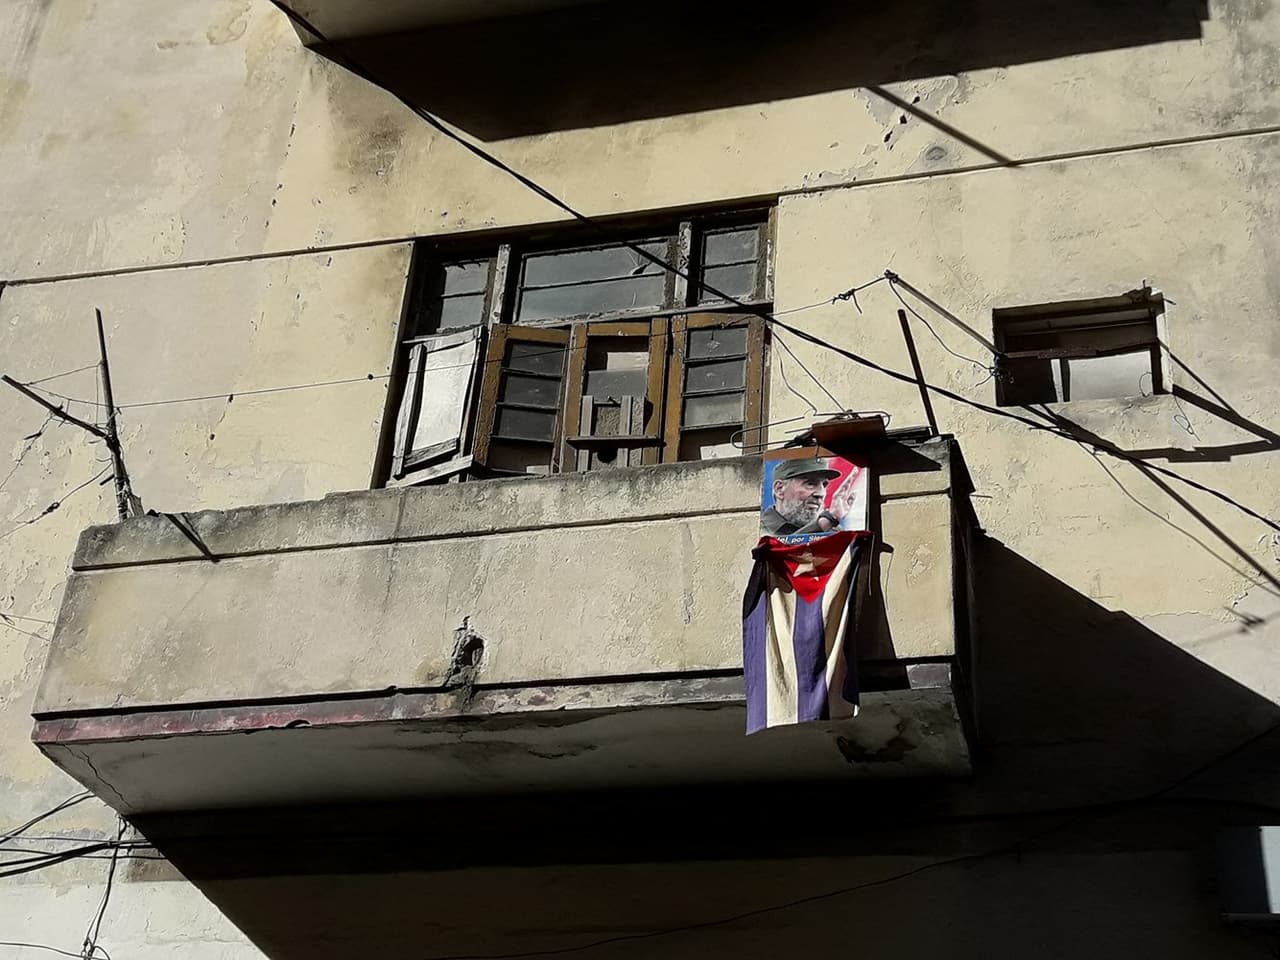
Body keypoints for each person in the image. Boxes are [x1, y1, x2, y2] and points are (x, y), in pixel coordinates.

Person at [760, 458, 860, 537]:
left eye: (824, 485)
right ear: (779, 489)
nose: (821, 493)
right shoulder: (756, 529)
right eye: (810, 483)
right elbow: (780, 554)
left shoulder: (832, 531)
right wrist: (823, 523)